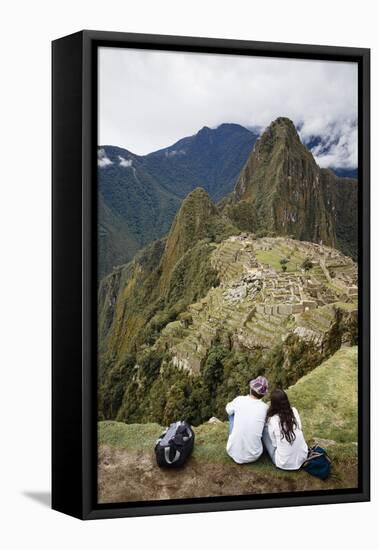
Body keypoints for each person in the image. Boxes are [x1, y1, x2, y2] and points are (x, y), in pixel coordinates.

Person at [225, 376, 269, 464]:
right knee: (263, 422)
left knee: (232, 414)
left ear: (250, 388)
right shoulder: (265, 407)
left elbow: (228, 409)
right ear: (263, 394)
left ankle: (236, 441)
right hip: (254, 455)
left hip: (232, 452)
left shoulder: (239, 400)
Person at [263, 388, 308, 470]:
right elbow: (300, 428)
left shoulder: (272, 420)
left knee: (265, 430)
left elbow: (274, 444)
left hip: (284, 463)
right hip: (303, 457)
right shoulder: (294, 411)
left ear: (273, 404)